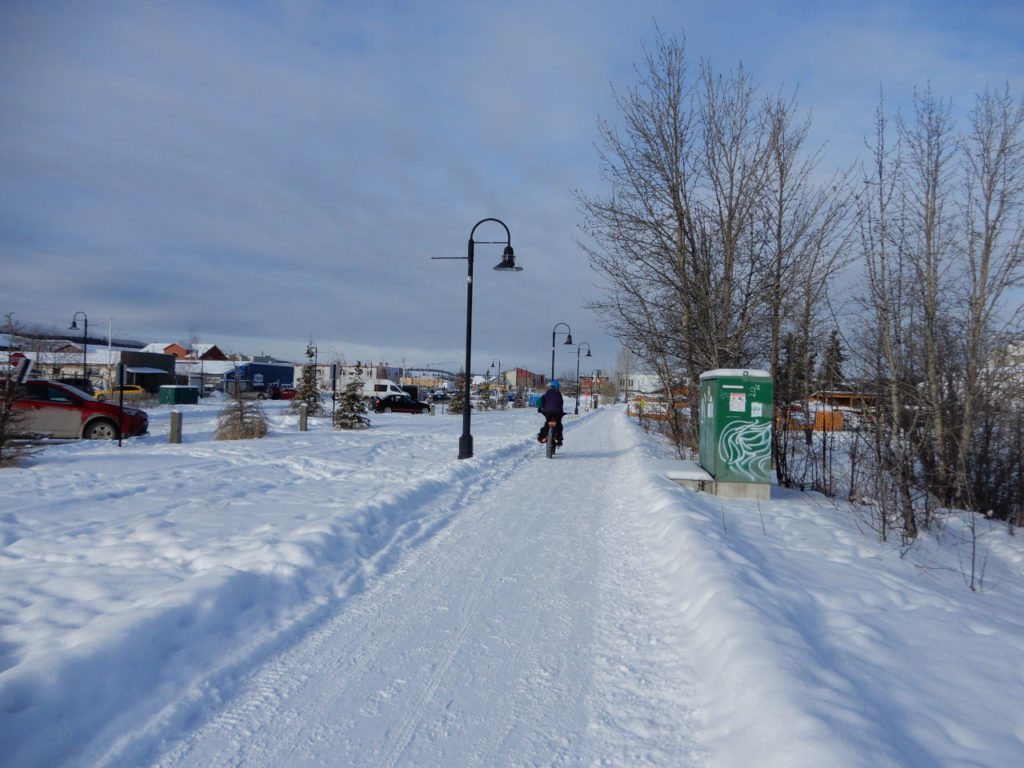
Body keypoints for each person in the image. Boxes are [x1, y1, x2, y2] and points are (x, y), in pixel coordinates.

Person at [537, 380, 565, 446]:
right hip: (557, 412)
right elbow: (561, 403)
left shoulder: (546, 393)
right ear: (558, 387)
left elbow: (539, 401)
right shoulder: (559, 394)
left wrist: (540, 409)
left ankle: (543, 437)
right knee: (558, 425)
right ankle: (558, 440)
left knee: (547, 423)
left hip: (547, 412)